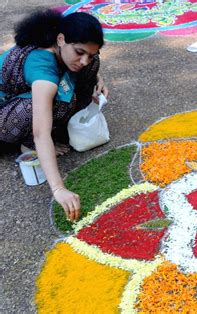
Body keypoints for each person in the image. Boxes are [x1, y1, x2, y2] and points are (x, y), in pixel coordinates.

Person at [0, 9, 108, 221]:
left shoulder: (64, 49)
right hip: (4, 116)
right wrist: (59, 188)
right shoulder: (42, 66)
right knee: (49, 104)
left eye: (90, 54)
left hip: (15, 102)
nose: (84, 60)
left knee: (90, 70)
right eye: (79, 52)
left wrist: (98, 80)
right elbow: (41, 132)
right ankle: (26, 144)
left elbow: (87, 62)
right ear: (60, 39)